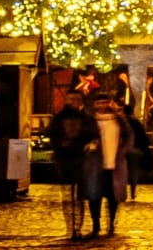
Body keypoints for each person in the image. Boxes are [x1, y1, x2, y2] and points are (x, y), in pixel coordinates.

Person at [47, 95, 99, 239]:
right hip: (64, 159)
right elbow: (51, 133)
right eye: (71, 99)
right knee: (67, 196)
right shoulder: (58, 118)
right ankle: (71, 227)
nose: (74, 102)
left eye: (77, 99)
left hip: (80, 159)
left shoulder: (86, 119)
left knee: (79, 196)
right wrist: (61, 144)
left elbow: (92, 134)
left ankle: (77, 227)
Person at [89, 89, 132, 235]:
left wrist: (124, 150)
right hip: (95, 164)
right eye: (99, 103)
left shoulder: (118, 119)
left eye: (105, 102)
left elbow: (129, 134)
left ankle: (111, 222)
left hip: (115, 163)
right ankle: (96, 223)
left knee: (113, 195)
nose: (102, 105)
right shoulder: (91, 120)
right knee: (94, 195)